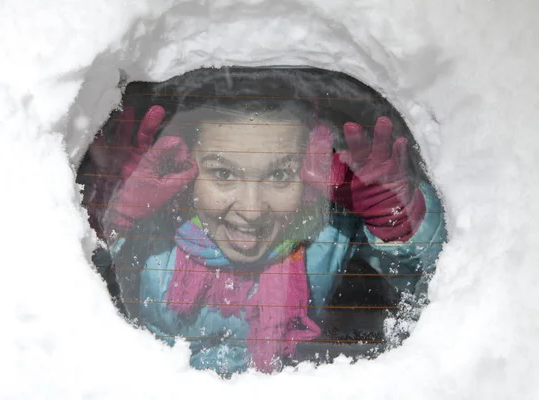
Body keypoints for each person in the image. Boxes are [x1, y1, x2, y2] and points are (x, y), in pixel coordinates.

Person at [80, 68, 447, 375]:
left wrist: (397, 219)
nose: (252, 211)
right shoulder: (155, 225)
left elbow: (424, 278)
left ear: (307, 172)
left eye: (279, 175)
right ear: (189, 171)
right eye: (223, 174)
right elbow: (77, 281)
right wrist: (110, 211)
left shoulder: (324, 230)